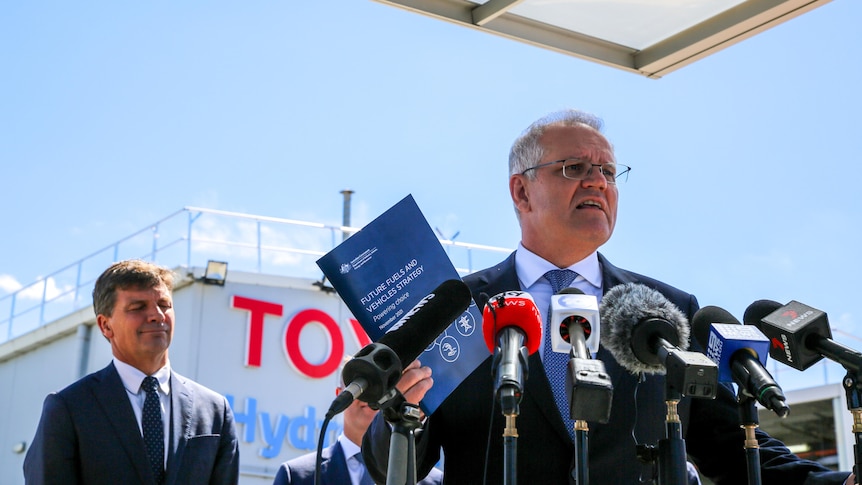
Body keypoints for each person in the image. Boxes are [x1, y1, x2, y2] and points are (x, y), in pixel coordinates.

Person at [363, 110, 855, 484]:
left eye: (608, 171)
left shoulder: (668, 311)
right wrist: (402, 412)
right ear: (521, 192)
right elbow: (391, 465)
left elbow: (729, 441)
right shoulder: (453, 308)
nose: (597, 180)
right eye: (574, 167)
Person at [24, 259, 240, 485]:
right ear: (105, 326)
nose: (157, 315)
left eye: (165, 305)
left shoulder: (215, 411)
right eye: (138, 307)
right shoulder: (69, 408)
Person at [273, 358, 442, 485]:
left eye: (379, 387)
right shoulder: (296, 476)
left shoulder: (434, 481)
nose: (371, 397)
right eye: (362, 386)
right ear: (341, 393)